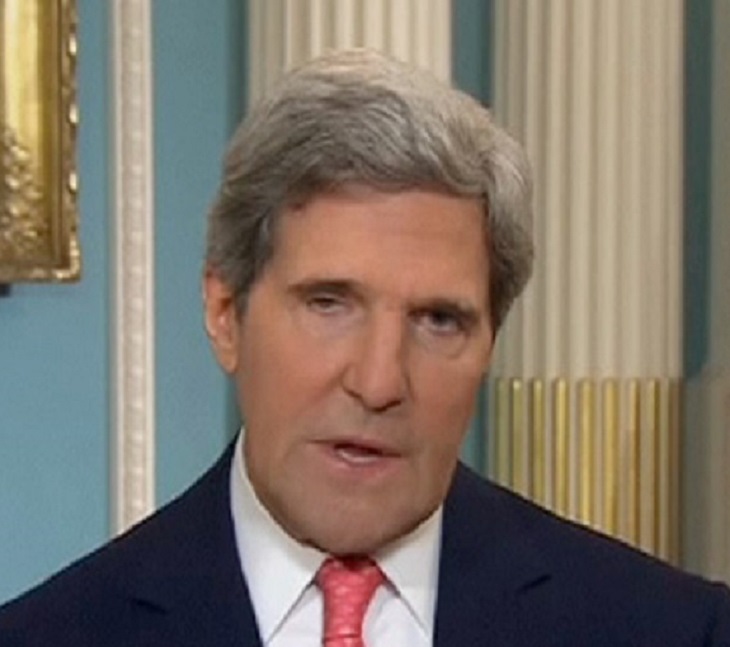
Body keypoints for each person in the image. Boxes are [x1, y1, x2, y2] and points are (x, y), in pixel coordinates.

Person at [1, 48, 728, 646]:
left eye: (438, 320)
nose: (380, 382)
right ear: (225, 314)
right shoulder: (51, 634)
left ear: (491, 340)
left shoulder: (669, 630)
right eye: (329, 304)